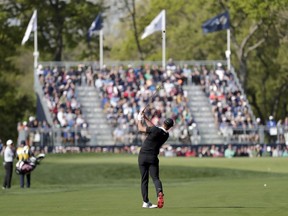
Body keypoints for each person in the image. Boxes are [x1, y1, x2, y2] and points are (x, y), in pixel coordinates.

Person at [137, 110, 174, 209]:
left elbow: (140, 128)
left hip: (142, 156)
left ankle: (145, 202)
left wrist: (139, 119)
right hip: (153, 157)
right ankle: (159, 192)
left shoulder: (155, 130)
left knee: (144, 179)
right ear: (170, 127)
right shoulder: (165, 135)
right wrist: (145, 118)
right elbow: (155, 128)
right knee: (156, 178)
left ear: (163, 122)